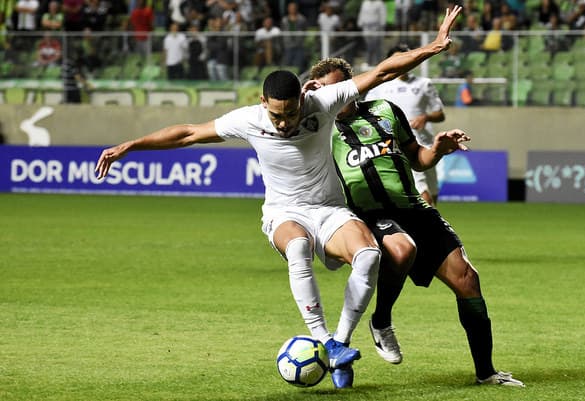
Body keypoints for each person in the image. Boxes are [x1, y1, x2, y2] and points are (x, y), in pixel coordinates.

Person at [94, 4, 463, 389]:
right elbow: (187, 133)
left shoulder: (323, 102)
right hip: (284, 212)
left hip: (330, 209)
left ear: (302, 100)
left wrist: (433, 47)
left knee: (369, 255)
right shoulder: (249, 119)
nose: (285, 123)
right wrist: (131, 145)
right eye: (277, 116)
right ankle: (323, 340)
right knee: (299, 247)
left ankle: (339, 342)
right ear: (263, 103)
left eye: (290, 114)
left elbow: (383, 70)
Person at [307, 56, 525, 389]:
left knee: (468, 280)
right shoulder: (317, 129)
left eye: (339, 86)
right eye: (325, 89)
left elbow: (418, 159)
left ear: (354, 86)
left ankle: (487, 373)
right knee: (400, 248)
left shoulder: (385, 111)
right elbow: (279, 122)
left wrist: (437, 149)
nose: (333, 94)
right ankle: (381, 321)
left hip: (414, 208)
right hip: (369, 215)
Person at [365, 43, 446, 207]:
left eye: (406, 58)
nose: (403, 62)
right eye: (398, 59)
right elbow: (366, 115)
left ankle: (431, 229)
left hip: (426, 143)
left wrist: (425, 117)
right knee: (423, 195)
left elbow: (440, 114)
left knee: (433, 194)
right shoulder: (379, 86)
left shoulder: (424, 84)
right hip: (401, 146)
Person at [357, 0, 386, 67]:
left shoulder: (379, 3)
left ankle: (378, 62)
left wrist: (382, 25)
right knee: (368, 46)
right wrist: (360, 23)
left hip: (376, 28)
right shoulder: (365, 2)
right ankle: (368, 62)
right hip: (366, 27)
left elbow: (383, 14)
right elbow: (362, 13)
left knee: (376, 46)